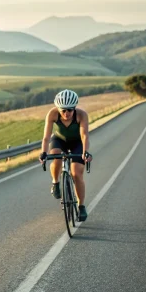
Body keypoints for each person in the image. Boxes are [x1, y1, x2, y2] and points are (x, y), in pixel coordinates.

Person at [38, 89, 93, 221]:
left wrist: (85, 152)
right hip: (59, 140)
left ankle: (81, 206)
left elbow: (84, 136)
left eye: (70, 110)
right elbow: (46, 137)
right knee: (55, 155)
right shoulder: (52, 114)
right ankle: (56, 182)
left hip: (76, 142)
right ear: (58, 109)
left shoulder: (81, 115)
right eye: (63, 110)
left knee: (76, 173)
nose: (66, 113)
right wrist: (43, 153)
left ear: (74, 108)